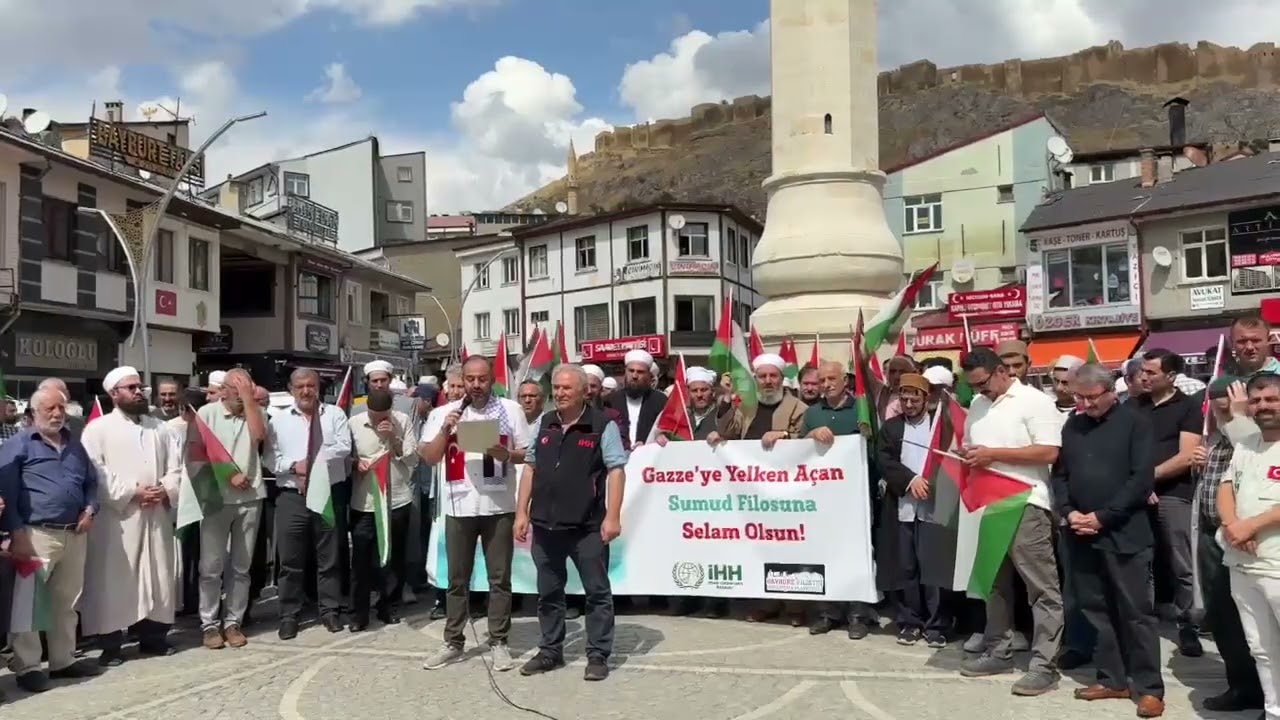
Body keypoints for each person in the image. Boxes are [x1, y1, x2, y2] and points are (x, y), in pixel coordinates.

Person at [1052, 364, 1164, 718]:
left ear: (1111, 391)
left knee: (1135, 613)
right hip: (1081, 533)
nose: (1084, 404)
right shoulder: (1073, 424)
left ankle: (1148, 688)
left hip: (1124, 532)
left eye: (1090, 397)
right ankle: (1112, 678)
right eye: (1078, 398)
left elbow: (1140, 479)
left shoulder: (1136, 422)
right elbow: (1061, 475)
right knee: (1095, 609)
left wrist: (1103, 516)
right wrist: (1070, 512)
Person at [957, 347, 1064, 696]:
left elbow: (1049, 451)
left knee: (1041, 588)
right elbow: (976, 444)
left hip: (1027, 502)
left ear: (1002, 371)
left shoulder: (1034, 401)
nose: (979, 391)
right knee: (994, 583)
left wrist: (993, 454)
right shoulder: (977, 404)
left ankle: (1044, 665)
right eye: (973, 386)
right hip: (991, 503)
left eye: (983, 384)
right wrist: (969, 453)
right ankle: (999, 649)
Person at [515, 364, 627, 681]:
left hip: (586, 527)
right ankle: (551, 651)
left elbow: (616, 470)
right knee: (549, 593)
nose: (561, 393)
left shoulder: (601, 425)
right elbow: (530, 468)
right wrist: (522, 512)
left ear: (583, 391)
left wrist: (613, 516)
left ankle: (598, 655)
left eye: (567, 388)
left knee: (596, 593)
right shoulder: (546, 423)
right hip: (545, 526)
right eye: (558, 388)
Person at [419, 355, 528, 671]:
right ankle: (453, 641)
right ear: (461, 380)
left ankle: (499, 642)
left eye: (482, 379)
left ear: (492, 379)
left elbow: (528, 454)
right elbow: (428, 456)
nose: (476, 385)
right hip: (459, 506)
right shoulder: (444, 413)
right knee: (456, 580)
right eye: (470, 379)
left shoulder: (511, 410)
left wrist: (506, 454)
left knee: (499, 579)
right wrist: (445, 430)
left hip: (499, 507)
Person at [80, 366, 183, 665]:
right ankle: (111, 645)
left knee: (159, 575)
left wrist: (164, 489)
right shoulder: (97, 430)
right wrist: (132, 492)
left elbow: (177, 468)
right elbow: (96, 472)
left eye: (140, 387)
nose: (139, 392)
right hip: (118, 521)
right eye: (131, 388)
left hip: (156, 516)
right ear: (114, 394)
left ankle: (154, 638)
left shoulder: (160, 429)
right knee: (115, 579)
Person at [0, 387, 100, 692]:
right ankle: (28, 666)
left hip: (74, 532)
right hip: (34, 534)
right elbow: (7, 493)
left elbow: (92, 482)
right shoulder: (18, 446)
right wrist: (16, 533)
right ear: (33, 414)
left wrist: (91, 509)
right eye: (49, 409)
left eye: (61, 408)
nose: (57, 414)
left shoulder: (75, 445)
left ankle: (62, 660)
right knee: (29, 604)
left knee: (66, 602)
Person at [711, 353, 808, 625]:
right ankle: (765, 602)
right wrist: (727, 405)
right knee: (759, 548)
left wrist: (786, 436)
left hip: (785, 493)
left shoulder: (798, 407)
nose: (767, 381)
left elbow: (807, 442)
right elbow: (728, 430)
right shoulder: (747, 407)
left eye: (772, 376)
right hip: (752, 494)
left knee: (788, 548)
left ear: (781, 378)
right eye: (762, 376)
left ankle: (795, 606)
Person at [1190, 377, 1263, 714]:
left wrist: (1239, 418)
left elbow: (1252, 456)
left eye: (1229, 398)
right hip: (1211, 534)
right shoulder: (1217, 435)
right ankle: (1242, 685)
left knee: (1255, 620)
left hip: (1246, 538)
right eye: (1216, 398)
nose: (1222, 405)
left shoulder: (1254, 434)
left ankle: (1262, 688)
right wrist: (1198, 465)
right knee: (1222, 615)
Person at [264, 368, 353, 640]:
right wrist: (294, 466)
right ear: (291, 389)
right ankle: (289, 614)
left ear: (318, 388)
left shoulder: (335, 414)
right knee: (291, 559)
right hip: (293, 496)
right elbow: (270, 459)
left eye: (311, 385)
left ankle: (329, 610)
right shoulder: (277, 421)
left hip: (327, 492)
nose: (306, 391)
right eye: (300, 386)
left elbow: (344, 446)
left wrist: (314, 460)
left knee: (330, 557)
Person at [1132, 348, 1204, 657]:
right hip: (1136, 496)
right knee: (1140, 561)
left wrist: (1148, 478)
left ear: (1171, 376)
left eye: (1151, 373)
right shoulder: (1133, 406)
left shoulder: (1187, 407)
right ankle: (1142, 625)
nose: (1144, 377)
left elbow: (1187, 455)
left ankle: (1189, 626)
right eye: (1142, 372)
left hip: (1174, 494)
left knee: (1181, 563)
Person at [1217, 372, 1280, 720]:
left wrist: (1250, 525)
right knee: (1262, 650)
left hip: (1277, 566)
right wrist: (1232, 526)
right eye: (1256, 401)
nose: (1263, 406)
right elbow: (1226, 487)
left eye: (1271, 399)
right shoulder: (1246, 443)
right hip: (1242, 564)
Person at [802, 360, 880, 639]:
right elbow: (799, 453)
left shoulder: (862, 409)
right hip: (823, 500)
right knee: (825, 554)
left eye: (831, 379)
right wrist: (810, 435)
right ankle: (827, 611)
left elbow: (875, 450)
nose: (826, 385)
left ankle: (858, 613)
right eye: (821, 380)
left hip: (857, 498)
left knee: (858, 554)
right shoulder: (812, 413)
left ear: (845, 380)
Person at [195, 369, 267, 650]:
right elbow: (199, 452)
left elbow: (258, 435)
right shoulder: (207, 413)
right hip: (217, 498)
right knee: (210, 566)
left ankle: (233, 621)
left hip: (250, 498)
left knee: (241, 566)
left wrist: (249, 401)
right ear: (223, 390)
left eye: (245, 388)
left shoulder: (254, 411)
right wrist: (228, 473)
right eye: (235, 389)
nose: (239, 394)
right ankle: (209, 623)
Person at [877, 372, 949, 647]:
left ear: (926, 398)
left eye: (914, 398)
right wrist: (910, 480)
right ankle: (909, 622)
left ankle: (938, 625)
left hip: (935, 507)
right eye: (904, 398)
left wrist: (930, 482)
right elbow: (884, 459)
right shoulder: (892, 427)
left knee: (934, 569)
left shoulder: (939, 427)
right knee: (906, 567)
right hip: (903, 506)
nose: (908, 404)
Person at [348, 388, 418, 630]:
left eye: (383, 415)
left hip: (396, 500)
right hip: (364, 501)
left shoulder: (403, 421)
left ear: (391, 410)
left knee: (392, 558)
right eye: (374, 415)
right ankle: (359, 613)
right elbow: (346, 457)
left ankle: (388, 606)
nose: (379, 420)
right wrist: (357, 463)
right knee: (361, 559)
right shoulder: (354, 423)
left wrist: (394, 439)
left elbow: (413, 458)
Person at [660, 366, 725, 618]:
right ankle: (684, 596)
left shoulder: (722, 414)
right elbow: (663, 435)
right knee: (683, 545)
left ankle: (714, 601)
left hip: (715, 494)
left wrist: (723, 436)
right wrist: (662, 441)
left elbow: (736, 434)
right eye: (695, 390)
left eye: (704, 390)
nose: (699, 395)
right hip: (683, 495)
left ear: (712, 392)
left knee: (713, 546)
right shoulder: (679, 416)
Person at [605, 350, 666, 448]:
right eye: (631, 371)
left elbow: (666, 430)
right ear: (625, 372)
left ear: (649, 375)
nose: (634, 376)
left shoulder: (660, 400)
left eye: (640, 372)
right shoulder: (610, 400)